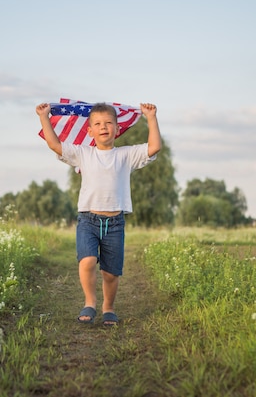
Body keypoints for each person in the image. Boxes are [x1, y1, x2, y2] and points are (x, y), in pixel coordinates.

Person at [36, 101, 162, 326]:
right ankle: (90, 302)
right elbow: (55, 145)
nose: (103, 127)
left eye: (108, 123)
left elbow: (153, 147)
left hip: (115, 223)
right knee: (87, 261)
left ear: (117, 128)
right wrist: (44, 117)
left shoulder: (126, 155)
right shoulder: (84, 153)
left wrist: (151, 118)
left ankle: (109, 308)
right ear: (89, 130)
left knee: (110, 273)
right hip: (88, 220)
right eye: (97, 124)